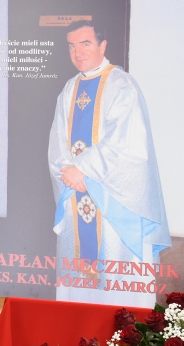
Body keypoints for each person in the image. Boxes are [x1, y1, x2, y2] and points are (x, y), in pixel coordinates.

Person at [48, 20, 170, 307]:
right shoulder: (70, 88)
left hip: (114, 202)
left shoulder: (121, 84)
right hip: (77, 195)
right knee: (79, 278)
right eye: (72, 46)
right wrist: (68, 173)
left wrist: (83, 169)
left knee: (116, 280)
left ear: (102, 45)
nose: (78, 52)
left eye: (85, 44)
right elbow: (57, 141)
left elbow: (126, 142)